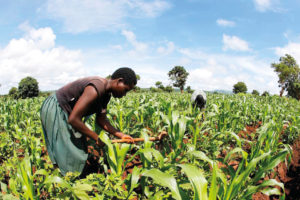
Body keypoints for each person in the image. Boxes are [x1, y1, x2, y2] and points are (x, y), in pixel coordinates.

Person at [40, 67, 137, 176]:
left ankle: (69, 176)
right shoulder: (96, 87)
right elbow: (73, 119)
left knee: (77, 145)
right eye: (125, 90)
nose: (124, 94)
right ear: (119, 81)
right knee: (67, 148)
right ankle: (63, 179)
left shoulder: (106, 95)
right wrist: (96, 138)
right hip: (57, 106)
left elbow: (101, 120)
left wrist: (121, 135)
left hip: (68, 112)